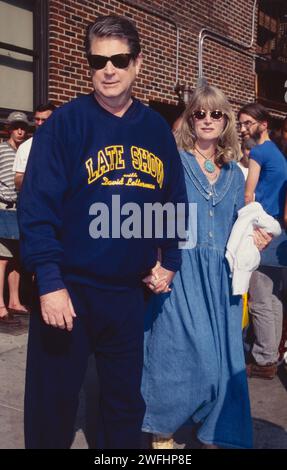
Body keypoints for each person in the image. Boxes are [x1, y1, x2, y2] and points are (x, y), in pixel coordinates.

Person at [18, 14, 187, 449]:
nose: (108, 69)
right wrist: (50, 282)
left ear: (137, 64)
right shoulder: (65, 124)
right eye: (98, 60)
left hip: (128, 295)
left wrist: (169, 261)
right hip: (69, 290)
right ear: (89, 65)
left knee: (123, 403)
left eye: (119, 59)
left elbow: (171, 200)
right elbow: (37, 210)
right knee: (52, 404)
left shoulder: (154, 129)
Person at [141, 84, 271, 450]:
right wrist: (153, 262)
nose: (208, 120)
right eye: (200, 113)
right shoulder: (173, 161)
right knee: (178, 354)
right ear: (190, 120)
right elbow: (154, 215)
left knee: (223, 363)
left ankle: (216, 434)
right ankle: (162, 433)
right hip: (179, 271)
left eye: (217, 114)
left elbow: (239, 226)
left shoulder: (236, 172)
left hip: (222, 279)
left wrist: (257, 237)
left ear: (228, 121)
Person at [238, 103, 287, 379]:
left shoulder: (258, 152)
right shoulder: (279, 155)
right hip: (280, 234)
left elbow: (248, 194)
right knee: (273, 298)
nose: (243, 128)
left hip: (262, 233)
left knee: (259, 299)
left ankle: (264, 358)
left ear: (263, 124)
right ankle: (272, 355)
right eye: (241, 123)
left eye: (248, 123)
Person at [0, 111, 30, 326]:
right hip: (3, 206)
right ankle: (0, 306)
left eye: (23, 127)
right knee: (2, 258)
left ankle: (15, 301)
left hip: (20, 209)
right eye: (16, 127)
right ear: (9, 128)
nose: (20, 131)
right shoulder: (1, 149)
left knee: (17, 258)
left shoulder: (26, 150)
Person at [13, 103, 56, 191]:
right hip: (34, 200)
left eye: (44, 120)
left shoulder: (65, 144)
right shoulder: (25, 147)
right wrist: (34, 172)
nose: (39, 123)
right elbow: (17, 183)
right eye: (37, 119)